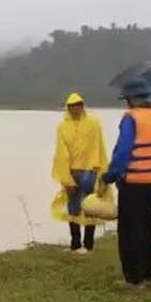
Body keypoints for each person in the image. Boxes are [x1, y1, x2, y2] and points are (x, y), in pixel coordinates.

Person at [102, 78, 151, 288]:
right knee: (147, 228)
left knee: (130, 231)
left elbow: (123, 153)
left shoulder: (131, 118)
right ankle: (148, 272)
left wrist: (109, 176)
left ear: (130, 99)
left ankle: (134, 279)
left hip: (133, 183)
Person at [51, 92, 109, 254]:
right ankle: (75, 244)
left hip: (90, 170)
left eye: (78, 105)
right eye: (72, 106)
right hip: (72, 171)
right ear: (68, 108)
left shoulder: (94, 123)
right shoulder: (63, 127)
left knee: (90, 207)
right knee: (73, 208)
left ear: (83, 106)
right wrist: (66, 179)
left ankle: (88, 245)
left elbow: (100, 147)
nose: (75, 109)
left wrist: (102, 172)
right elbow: (61, 153)